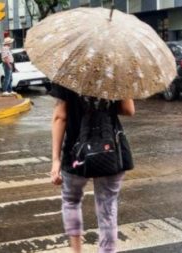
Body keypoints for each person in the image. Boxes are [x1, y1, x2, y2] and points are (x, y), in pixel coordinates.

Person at [50, 83, 135, 253]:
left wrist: (55, 159)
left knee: (71, 200)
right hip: (110, 151)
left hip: (76, 153)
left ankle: (77, 251)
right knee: (107, 208)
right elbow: (128, 109)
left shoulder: (69, 73)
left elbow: (60, 117)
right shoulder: (116, 73)